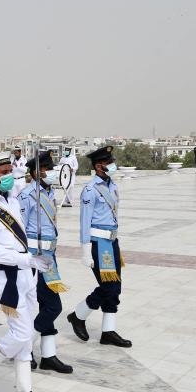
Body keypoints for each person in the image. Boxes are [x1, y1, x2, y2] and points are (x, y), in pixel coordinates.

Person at [0, 153, 53, 392]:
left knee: (26, 338)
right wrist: (26, 258)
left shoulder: (13, 200)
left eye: (10, 170)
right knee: (21, 333)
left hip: (27, 273)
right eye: (4, 172)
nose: (9, 175)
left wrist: (31, 261)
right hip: (7, 276)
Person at [67, 146, 132, 347]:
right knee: (108, 287)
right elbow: (84, 221)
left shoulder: (112, 185)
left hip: (112, 242)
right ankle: (78, 315)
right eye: (108, 162)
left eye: (112, 161)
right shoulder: (90, 190)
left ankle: (108, 332)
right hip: (98, 243)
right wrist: (85, 251)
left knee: (115, 288)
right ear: (98, 166)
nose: (112, 165)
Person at [18, 151, 72, 374]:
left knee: (46, 305)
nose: (51, 172)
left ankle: (48, 355)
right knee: (52, 306)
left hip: (49, 256)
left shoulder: (49, 192)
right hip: (34, 257)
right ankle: (24, 347)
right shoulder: (27, 195)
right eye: (47, 168)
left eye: (51, 168)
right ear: (35, 172)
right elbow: (20, 230)